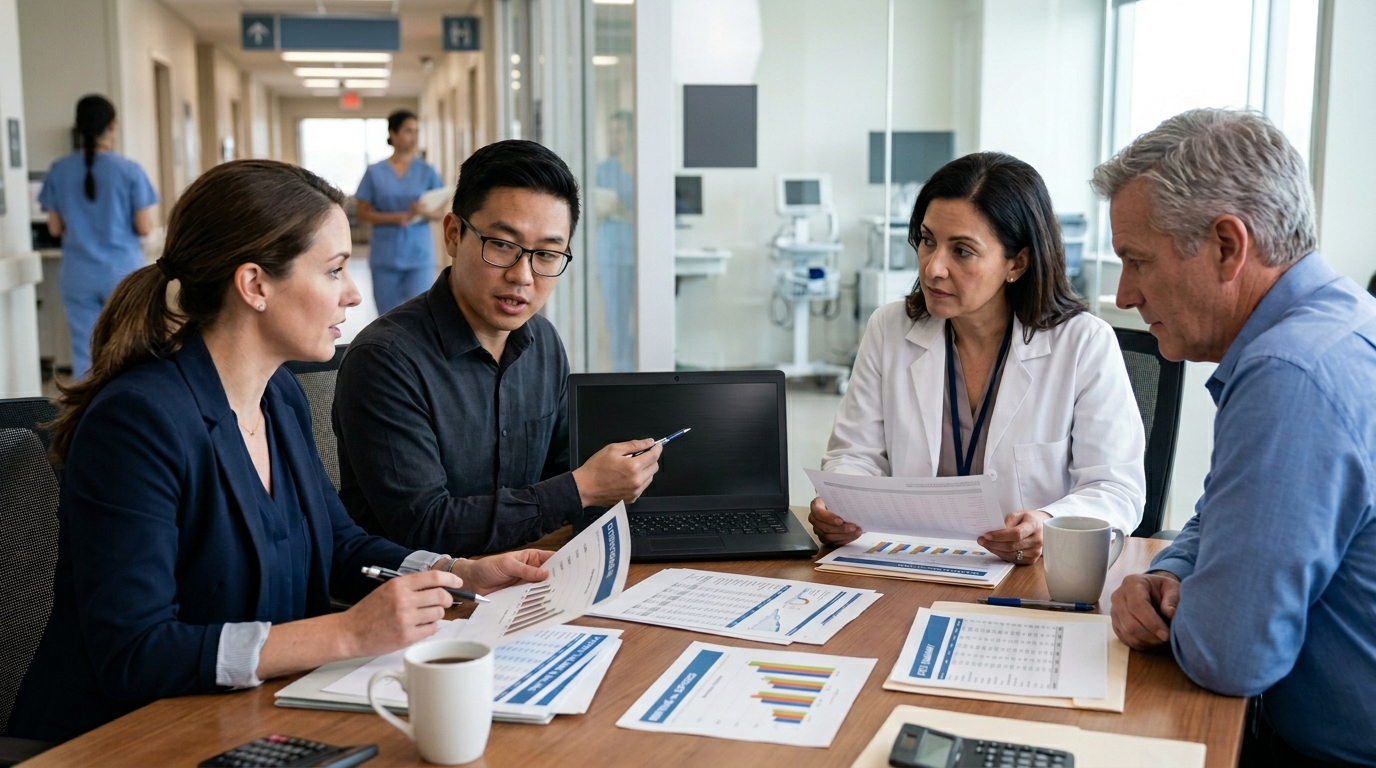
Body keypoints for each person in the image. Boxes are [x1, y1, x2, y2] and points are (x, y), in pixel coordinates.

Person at [5, 160, 552, 744]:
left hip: (257, 720)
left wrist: (453, 571)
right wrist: (344, 635)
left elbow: (341, 544)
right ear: (255, 285)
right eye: (335, 270)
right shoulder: (137, 424)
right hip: (127, 740)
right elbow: (135, 653)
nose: (352, 293)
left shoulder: (278, 395)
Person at [1100, 109, 1376, 767]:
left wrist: (1182, 603)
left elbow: (1229, 654)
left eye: (1137, 260)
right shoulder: (1337, 321)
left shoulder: (1289, 376)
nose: (1124, 293)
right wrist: (1169, 569)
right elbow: (1222, 514)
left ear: (1227, 245)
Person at [809, 152, 1145, 563]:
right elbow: (854, 454)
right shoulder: (890, 329)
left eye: (962, 251)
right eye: (928, 241)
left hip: (1026, 577)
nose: (933, 268)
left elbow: (1116, 489)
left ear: (1017, 263)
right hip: (907, 563)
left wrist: (1047, 521)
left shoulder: (1083, 344)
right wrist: (841, 504)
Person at [333, 140, 661, 556]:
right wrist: (584, 488)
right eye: (503, 245)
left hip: (528, 574)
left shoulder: (543, 341)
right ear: (453, 234)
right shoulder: (385, 360)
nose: (523, 276)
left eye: (546, 253)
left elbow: (563, 469)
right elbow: (423, 527)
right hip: (424, 602)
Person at [39, 94, 158, 378]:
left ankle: (88, 413)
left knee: (86, 349)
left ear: (77, 128)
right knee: (130, 345)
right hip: (123, 272)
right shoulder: (129, 171)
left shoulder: (59, 170)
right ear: (113, 126)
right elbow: (144, 227)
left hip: (78, 273)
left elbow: (54, 229)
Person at [353, 109, 446, 313]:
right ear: (393, 134)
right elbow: (362, 213)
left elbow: (440, 213)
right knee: (387, 316)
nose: (414, 137)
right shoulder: (375, 172)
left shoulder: (426, 171)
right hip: (385, 255)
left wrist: (423, 211)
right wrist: (397, 218)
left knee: (419, 314)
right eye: (408, 131)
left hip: (418, 255)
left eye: (416, 131)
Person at [595, 110, 636, 371]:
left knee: (645, 315)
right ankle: (623, 369)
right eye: (611, 131)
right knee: (617, 317)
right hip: (611, 252)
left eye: (619, 131)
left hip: (639, 252)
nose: (614, 137)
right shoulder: (601, 171)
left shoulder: (645, 168)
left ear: (632, 134)